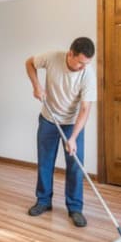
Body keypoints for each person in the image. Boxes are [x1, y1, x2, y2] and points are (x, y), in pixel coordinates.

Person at [25, 37, 96, 227]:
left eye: (86, 63)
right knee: (45, 161)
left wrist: (73, 137)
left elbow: (85, 109)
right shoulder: (52, 57)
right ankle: (43, 201)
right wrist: (36, 86)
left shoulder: (88, 74)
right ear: (70, 54)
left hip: (73, 123)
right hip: (49, 118)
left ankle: (75, 208)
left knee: (75, 164)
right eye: (80, 62)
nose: (83, 66)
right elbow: (29, 63)